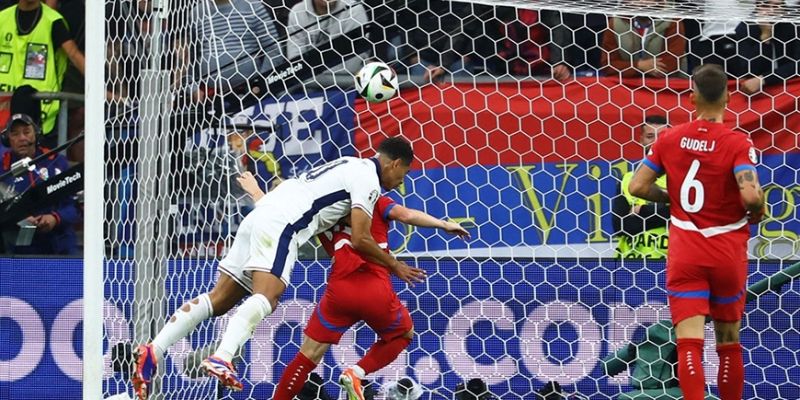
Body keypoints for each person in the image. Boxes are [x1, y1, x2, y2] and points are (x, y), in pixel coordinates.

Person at [131, 137, 424, 399]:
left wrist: (259, 194)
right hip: (283, 226)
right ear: (395, 163)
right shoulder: (368, 179)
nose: (400, 181)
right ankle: (222, 356)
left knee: (218, 300)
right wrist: (395, 265)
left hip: (259, 216)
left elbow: (303, 196)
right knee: (267, 296)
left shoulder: (347, 163)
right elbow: (360, 237)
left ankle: (153, 350)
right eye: (404, 173)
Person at [628, 64, 765, 400]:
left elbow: (637, 186)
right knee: (728, 342)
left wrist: (671, 198)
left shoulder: (669, 139)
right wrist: (757, 211)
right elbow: (750, 195)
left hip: (687, 250)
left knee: (689, 342)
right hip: (726, 250)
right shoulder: (737, 143)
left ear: (692, 97)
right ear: (728, 97)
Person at [259, 184, 469, 400]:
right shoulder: (373, 201)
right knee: (403, 334)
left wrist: (257, 192)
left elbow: (283, 220)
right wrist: (443, 224)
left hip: (340, 290)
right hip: (374, 287)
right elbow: (406, 215)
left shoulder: (322, 210)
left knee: (307, 355)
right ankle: (357, 373)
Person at [0, 0, 86, 148]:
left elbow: (74, 54)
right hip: (5, 110)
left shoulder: (53, 21)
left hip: (42, 113)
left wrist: (98, 86)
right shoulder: (3, 18)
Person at [0, 112, 79, 255]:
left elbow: (75, 206)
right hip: (18, 250)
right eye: (15, 134)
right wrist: (16, 217)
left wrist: (55, 218)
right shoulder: (2, 168)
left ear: (36, 134)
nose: (22, 138)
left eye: (26, 132)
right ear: (7, 139)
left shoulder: (56, 161)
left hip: (60, 245)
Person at [612, 115, 670, 259]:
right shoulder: (627, 179)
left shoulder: (681, 177)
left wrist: (642, 211)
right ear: (641, 139)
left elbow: (685, 216)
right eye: (650, 136)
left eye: (661, 136)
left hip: (670, 262)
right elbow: (621, 227)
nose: (656, 142)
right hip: (633, 262)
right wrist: (665, 212)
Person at [285, 0, 368, 75]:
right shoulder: (297, 12)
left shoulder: (354, 10)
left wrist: (312, 71)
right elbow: (295, 63)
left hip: (348, 81)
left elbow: (351, 66)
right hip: (307, 82)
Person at [601, 15, 685, 78]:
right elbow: (608, 65)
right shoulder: (615, 23)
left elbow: (671, 64)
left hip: (665, 85)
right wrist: (638, 66)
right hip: (625, 86)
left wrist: (629, 68)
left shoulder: (672, 22)